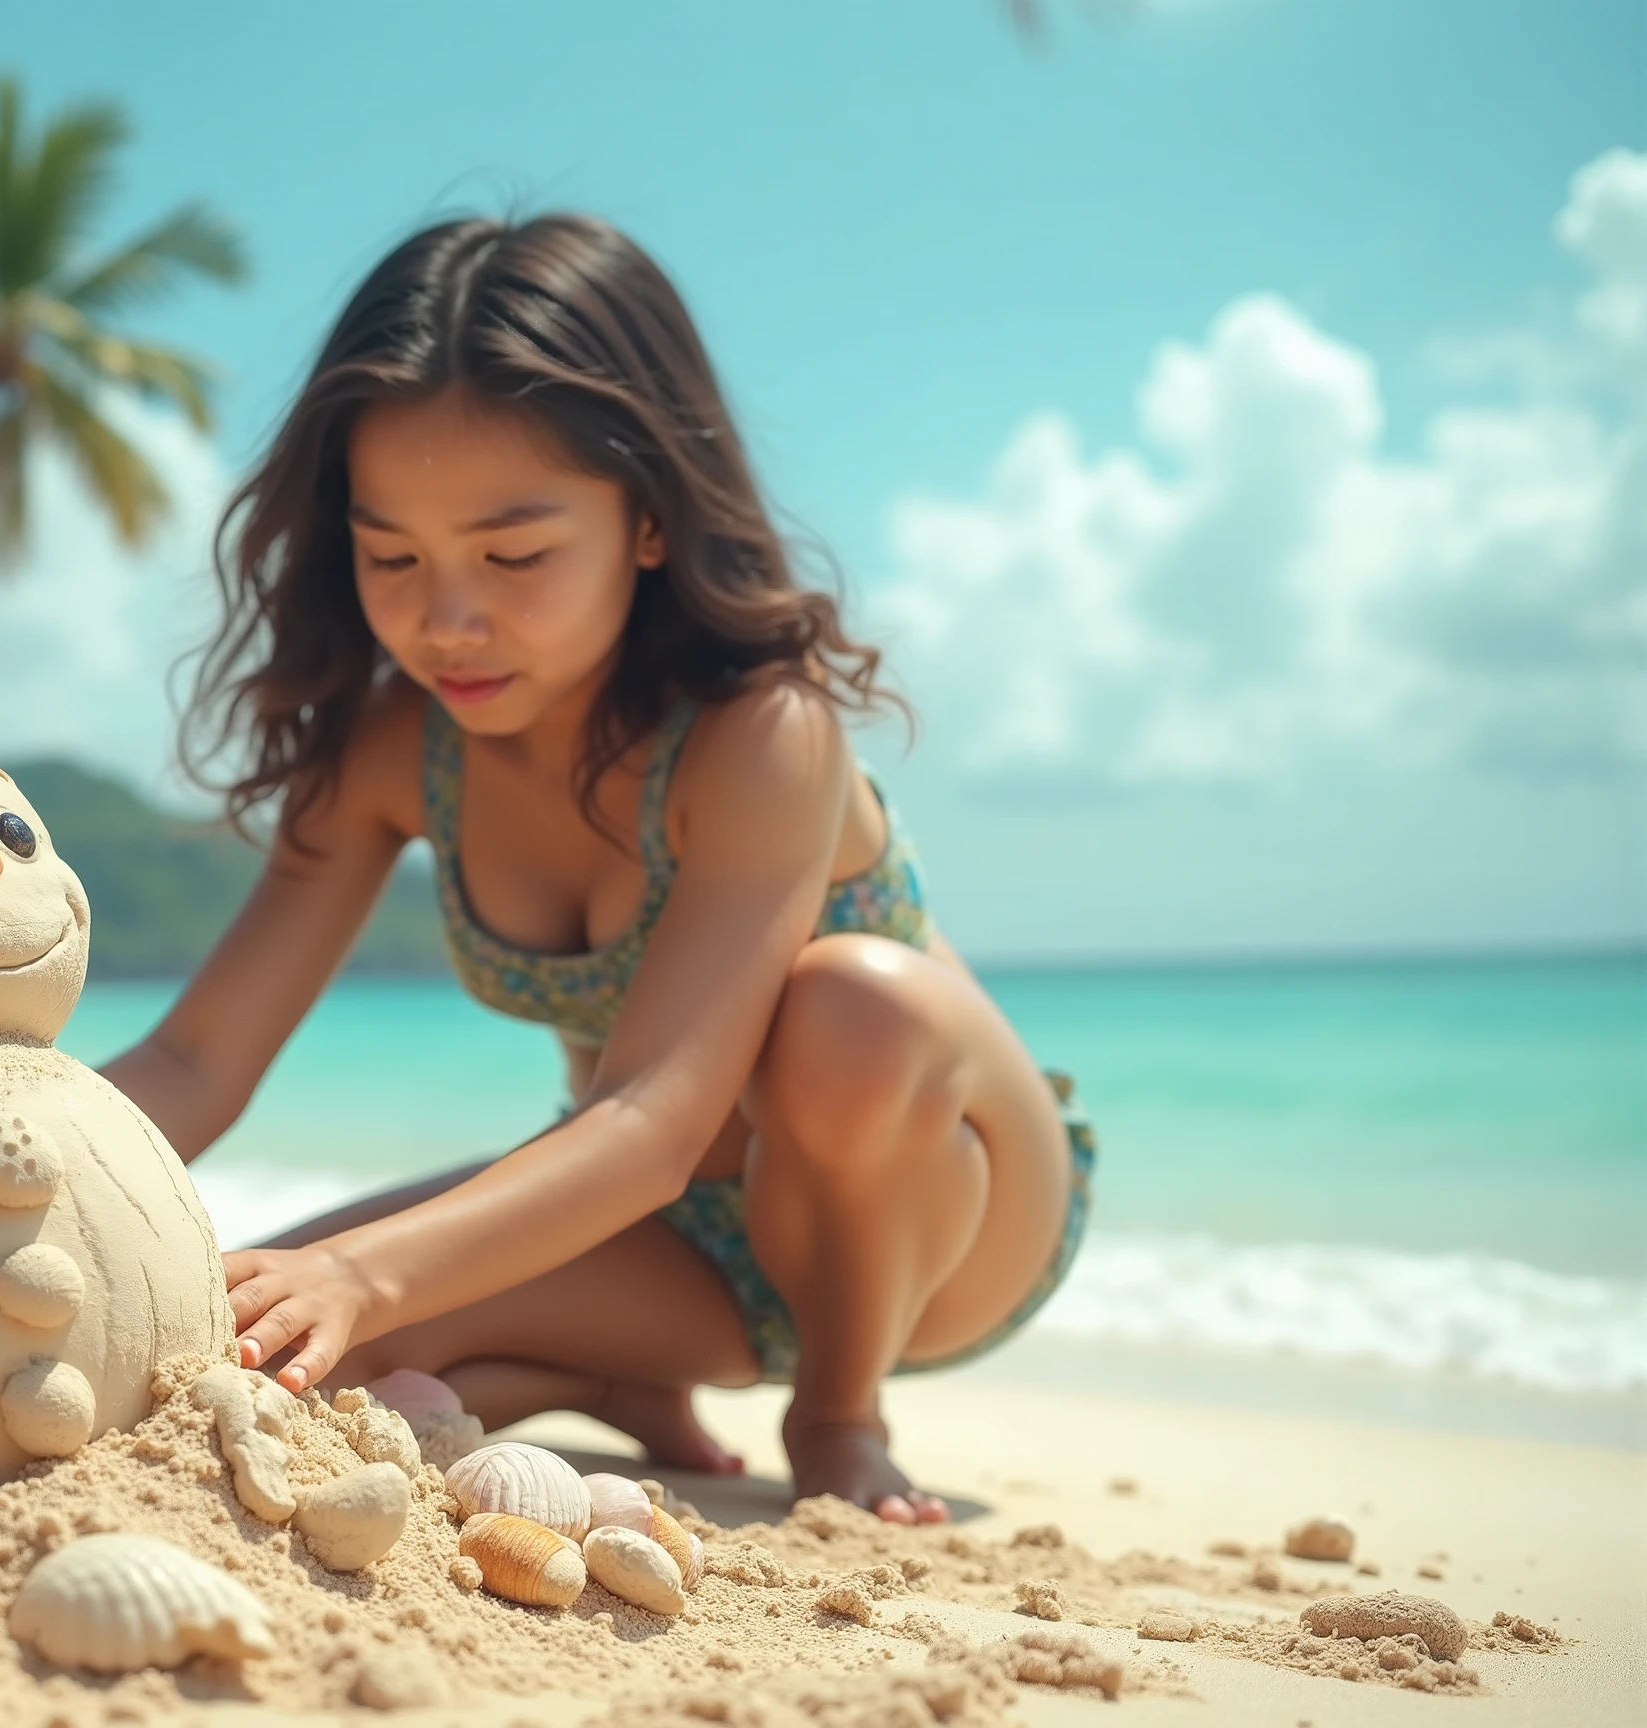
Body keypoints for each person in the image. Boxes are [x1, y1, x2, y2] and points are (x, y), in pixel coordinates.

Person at [97, 214, 1096, 1522]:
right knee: (261, 1344)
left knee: (857, 1004)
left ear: (649, 518)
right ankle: (605, 1380)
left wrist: (364, 1271)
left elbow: (650, 1121)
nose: (447, 617)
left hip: (937, 1218)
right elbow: (195, 1064)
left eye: (514, 556)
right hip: (669, 1236)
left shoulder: (761, 735)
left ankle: (839, 1412)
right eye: (391, 553)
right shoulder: (394, 750)